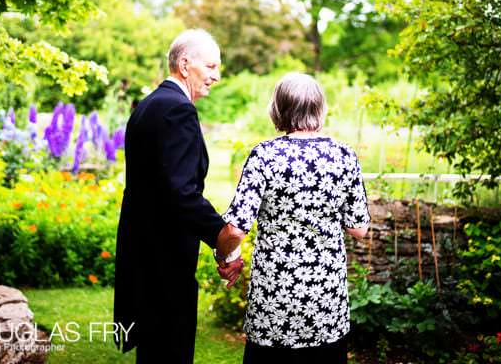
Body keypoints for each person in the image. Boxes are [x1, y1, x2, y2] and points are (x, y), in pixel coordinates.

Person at [216, 72, 370, 364]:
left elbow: (235, 229)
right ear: (320, 109)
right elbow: (359, 228)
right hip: (326, 306)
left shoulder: (264, 155)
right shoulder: (344, 156)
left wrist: (223, 257)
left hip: (274, 306)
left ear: (278, 110)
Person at [114, 29, 243, 363]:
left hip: (143, 255)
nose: (217, 76)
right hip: (165, 261)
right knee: (170, 352)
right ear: (185, 65)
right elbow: (181, 193)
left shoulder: (148, 105)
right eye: (211, 66)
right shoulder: (177, 110)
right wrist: (223, 238)